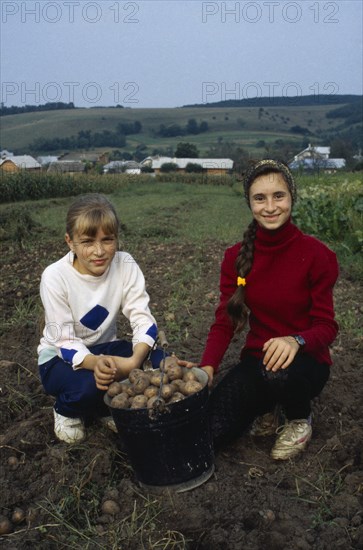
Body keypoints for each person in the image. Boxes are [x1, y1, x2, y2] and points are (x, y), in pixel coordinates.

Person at [180, 159, 339, 460]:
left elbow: (327, 327)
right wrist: (208, 366)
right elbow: (226, 320)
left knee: (277, 375)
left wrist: (296, 340)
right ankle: (267, 407)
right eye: (259, 198)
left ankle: (297, 419)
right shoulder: (235, 258)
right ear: (249, 202)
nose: (270, 206)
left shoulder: (319, 256)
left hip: (306, 365)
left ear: (292, 196)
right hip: (258, 361)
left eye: (278, 196)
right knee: (212, 432)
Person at [38, 193, 162, 444]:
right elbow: (63, 340)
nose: (99, 251)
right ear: (69, 242)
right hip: (59, 359)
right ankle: (67, 410)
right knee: (88, 386)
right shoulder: (55, 277)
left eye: (107, 240)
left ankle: (104, 406)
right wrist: (96, 363)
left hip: (105, 349)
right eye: (87, 241)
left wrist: (135, 360)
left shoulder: (124, 264)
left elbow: (141, 317)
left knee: (159, 360)